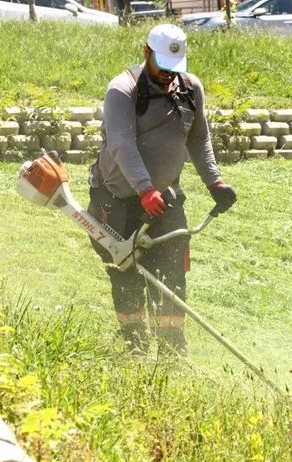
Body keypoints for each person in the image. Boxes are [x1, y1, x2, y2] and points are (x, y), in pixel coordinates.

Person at [87, 24, 237, 355]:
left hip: (164, 200)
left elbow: (199, 139)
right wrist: (144, 188)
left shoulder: (190, 88)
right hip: (117, 201)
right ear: (146, 52)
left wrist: (215, 181)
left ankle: (171, 356)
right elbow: (122, 145)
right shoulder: (122, 90)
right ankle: (135, 349)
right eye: (163, 68)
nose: (169, 76)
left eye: (175, 69)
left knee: (171, 279)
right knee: (126, 277)